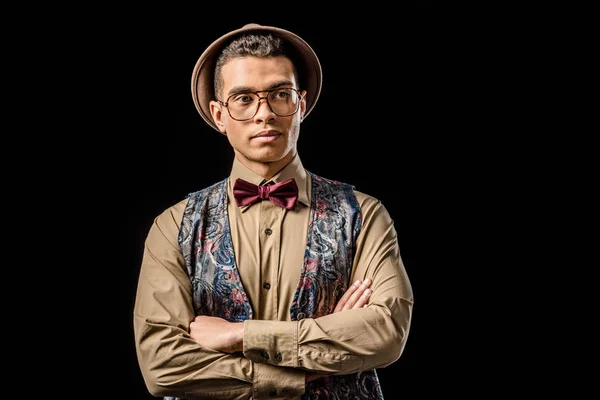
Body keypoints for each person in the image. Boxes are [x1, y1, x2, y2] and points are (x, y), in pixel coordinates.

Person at [133, 23, 414, 400]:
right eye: (244, 98)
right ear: (219, 115)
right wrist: (321, 352)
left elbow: (385, 333)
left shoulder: (363, 215)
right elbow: (162, 366)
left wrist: (240, 335)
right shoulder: (174, 226)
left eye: (279, 94)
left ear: (300, 103)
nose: (264, 113)